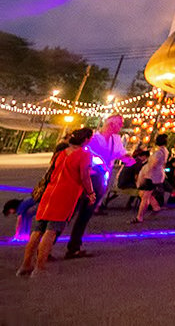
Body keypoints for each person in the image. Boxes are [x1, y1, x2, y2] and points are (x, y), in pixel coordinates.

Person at [17, 128, 95, 277]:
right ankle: (39, 268)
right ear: (85, 140)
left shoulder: (60, 153)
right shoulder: (84, 155)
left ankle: (25, 265)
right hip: (64, 195)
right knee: (51, 231)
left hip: (49, 193)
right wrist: (90, 193)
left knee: (38, 229)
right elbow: (85, 176)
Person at [67, 113, 131, 259]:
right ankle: (48, 243)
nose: (121, 126)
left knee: (86, 215)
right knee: (69, 213)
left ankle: (74, 247)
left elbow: (121, 154)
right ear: (111, 124)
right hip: (85, 180)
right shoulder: (93, 138)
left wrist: (130, 159)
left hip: (101, 181)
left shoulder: (116, 140)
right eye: (119, 124)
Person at [10, 142, 68, 241]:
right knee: (35, 218)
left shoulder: (23, 204)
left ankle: (24, 236)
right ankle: (26, 236)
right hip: (45, 196)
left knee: (31, 216)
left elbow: (19, 219)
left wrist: (16, 234)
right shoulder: (58, 163)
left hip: (43, 196)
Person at [134, 133, 169, 223]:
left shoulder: (158, 153)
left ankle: (139, 217)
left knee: (145, 196)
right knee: (146, 194)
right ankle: (155, 207)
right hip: (156, 176)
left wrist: (145, 174)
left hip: (151, 176)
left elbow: (152, 166)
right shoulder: (164, 151)